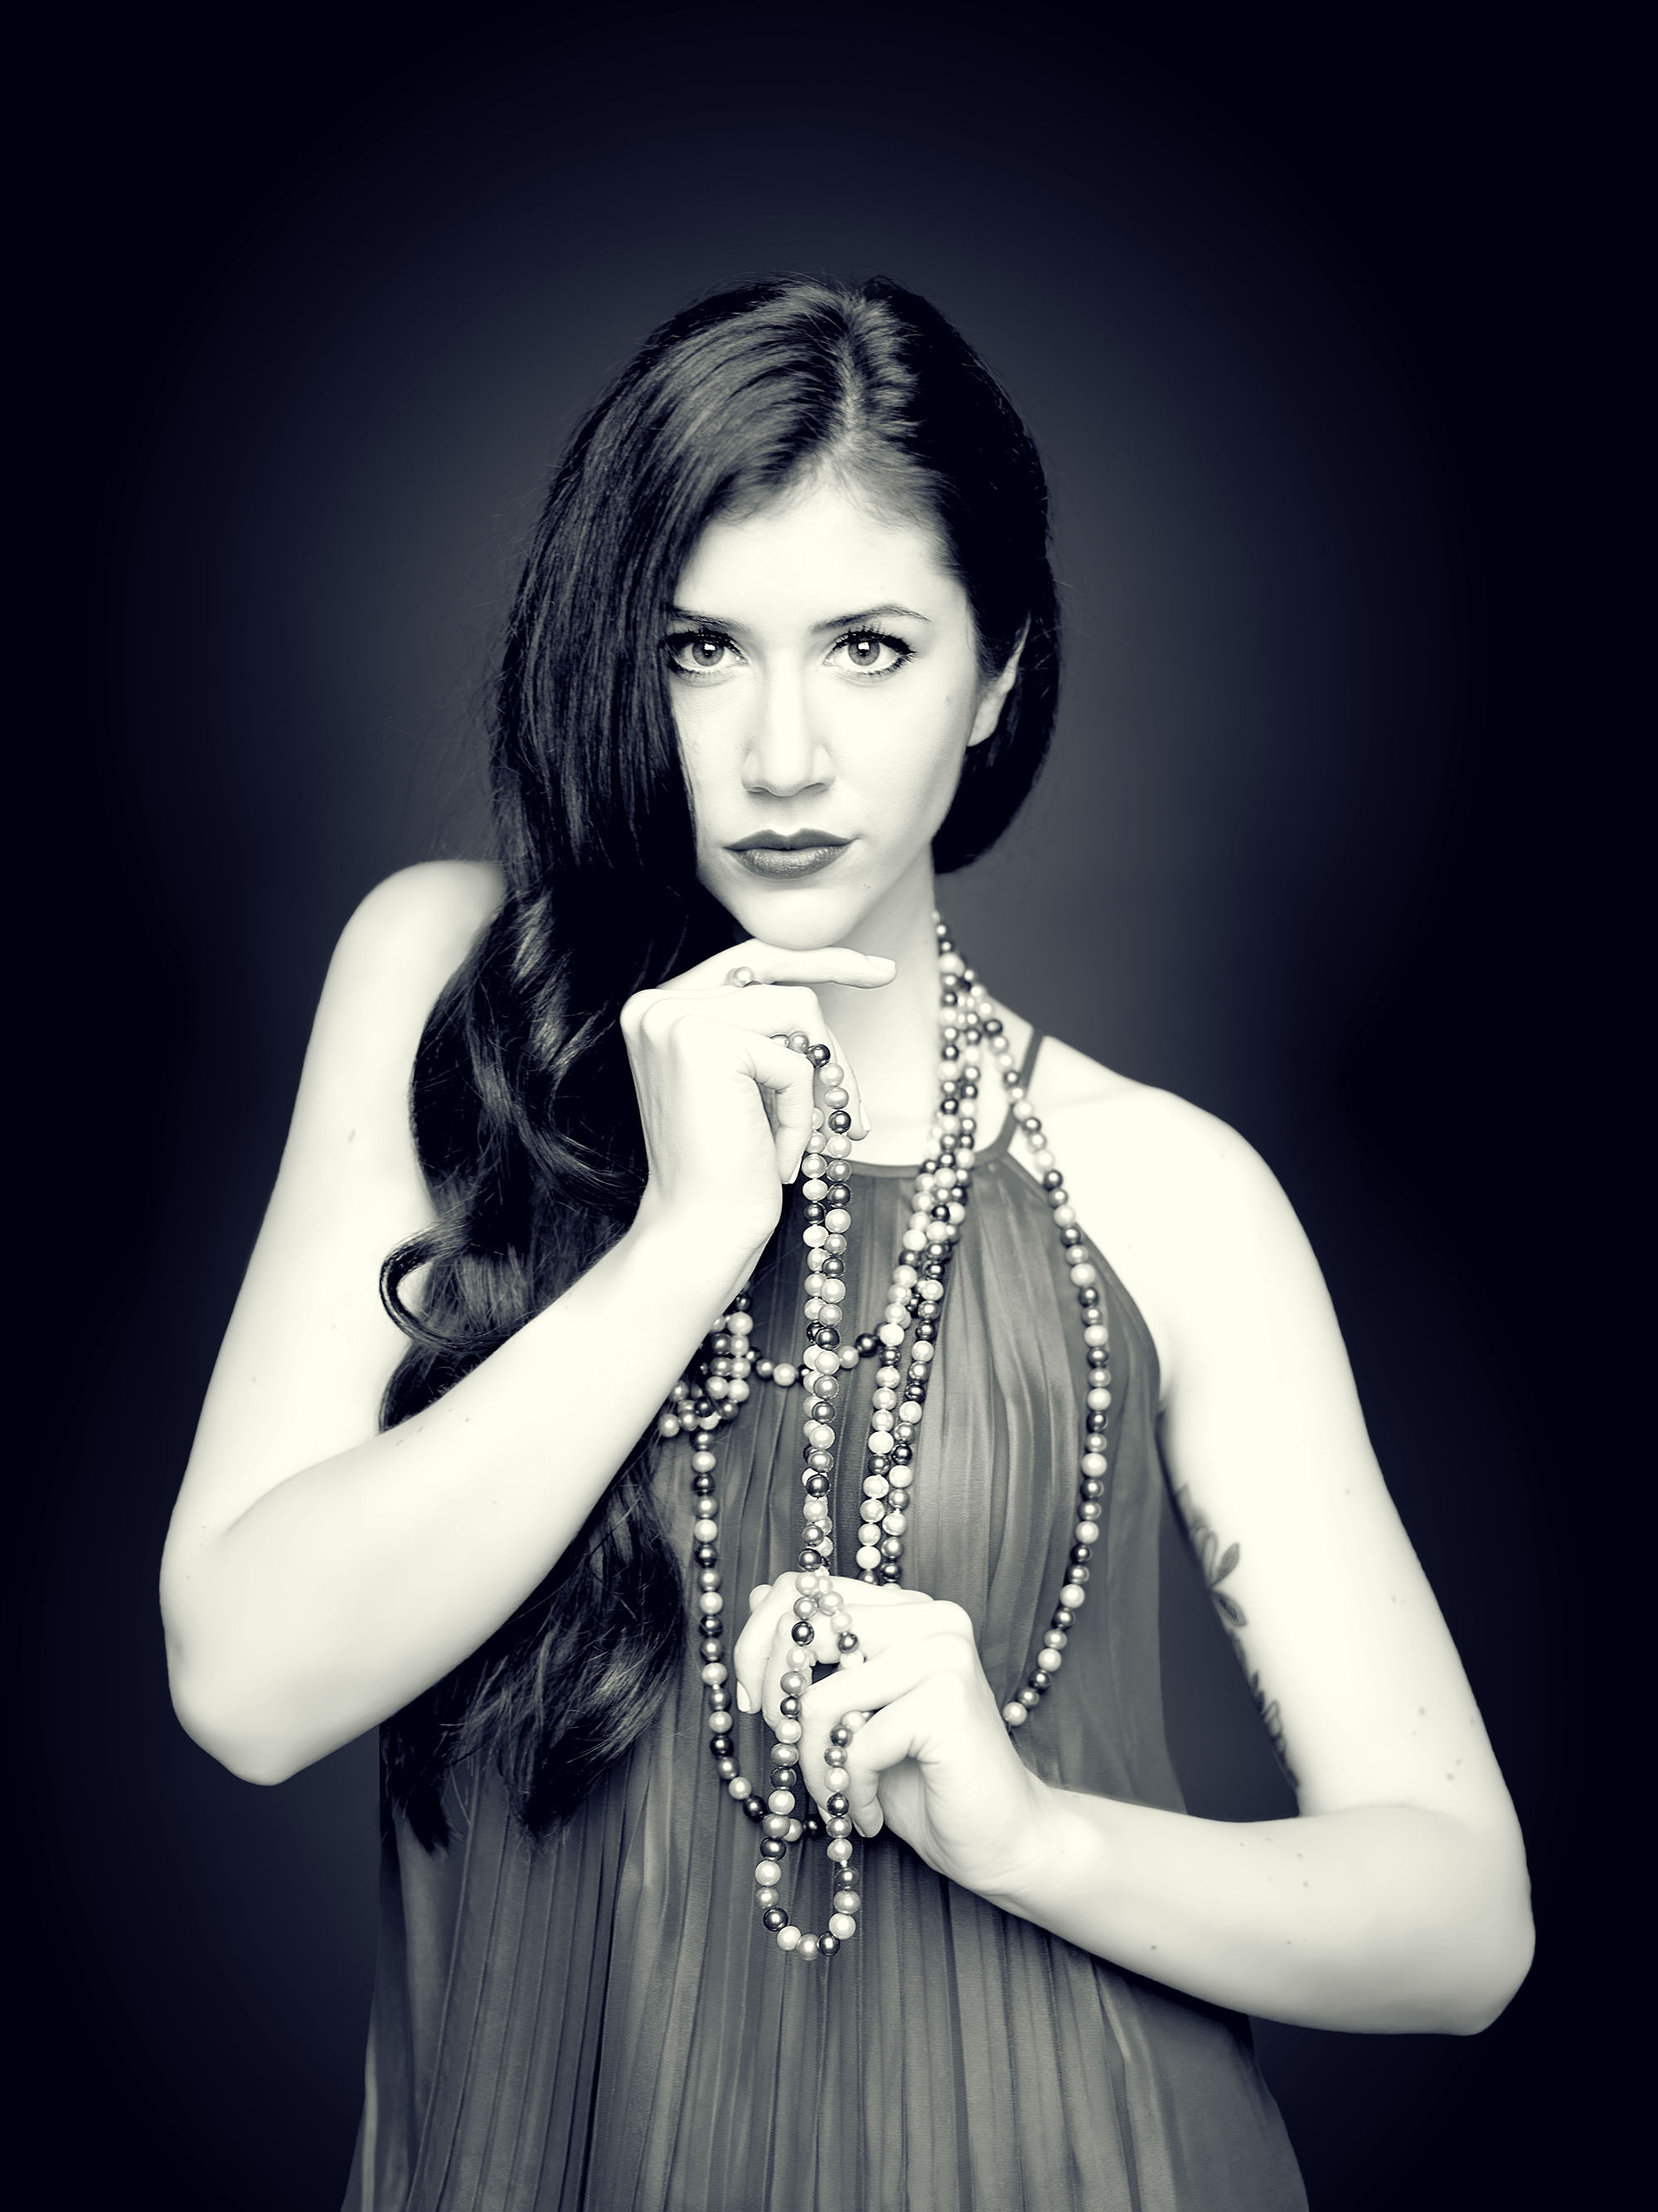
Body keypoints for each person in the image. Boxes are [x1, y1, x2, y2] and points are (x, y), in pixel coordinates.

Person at [160, 276, 1533, 2211]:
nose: (783, 753)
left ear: (997, 676)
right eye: (701, 649)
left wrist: (1035, 1839)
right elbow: (245, 1684)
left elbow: (1462, 1923)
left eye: (870, 649)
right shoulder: (445, 992)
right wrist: (687, 1238)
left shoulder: (1163, 1191)